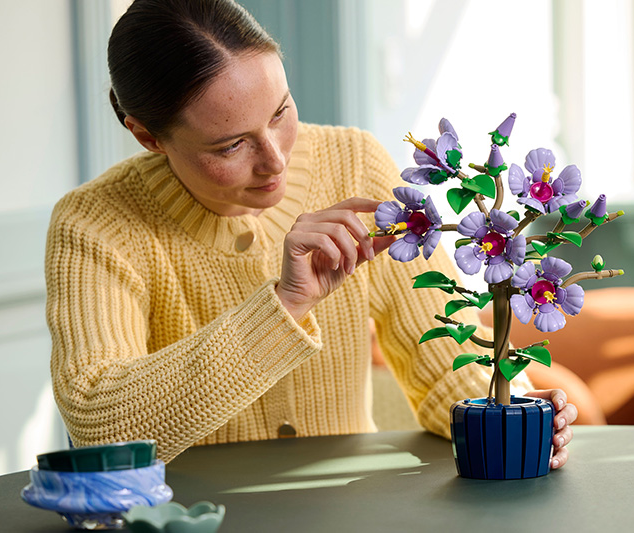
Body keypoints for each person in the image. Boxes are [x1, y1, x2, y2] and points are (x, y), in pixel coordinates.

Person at [46, 0, 577, 467]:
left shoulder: (354, 164)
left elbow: (444, 369)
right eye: (230, 146)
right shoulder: (95, 225)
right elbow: (100, 429)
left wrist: (517, 418)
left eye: (281, 112)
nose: (275, 159)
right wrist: (285, 305)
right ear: (147, 136)